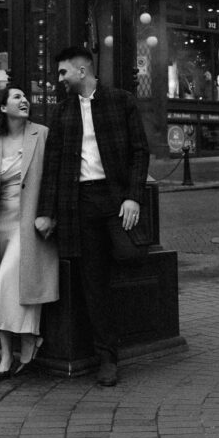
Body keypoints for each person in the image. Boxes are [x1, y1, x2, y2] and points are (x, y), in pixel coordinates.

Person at [35, 45, 150, 387]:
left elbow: (139, 152)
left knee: (129, 257)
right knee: (93, 282)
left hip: (114, 199)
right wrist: (47, 213)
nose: (59, 80)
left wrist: (133, 197)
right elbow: (52, 167)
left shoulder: (121, 101)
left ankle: (136, 333)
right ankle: (107, 358)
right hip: (80, 203)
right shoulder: (62, 112)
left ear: (81, 72)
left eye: (63, 73)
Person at [0, 85, 59, 381]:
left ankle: (15, 347)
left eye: (26, 98)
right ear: (2, 107)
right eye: (17, 97)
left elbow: (53, 179)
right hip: (0, 224)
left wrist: (50, 216)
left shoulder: (42, 134)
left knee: (16, 279)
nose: (24, 101)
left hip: (29, 223)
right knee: (3, 287)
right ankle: (19, 344)